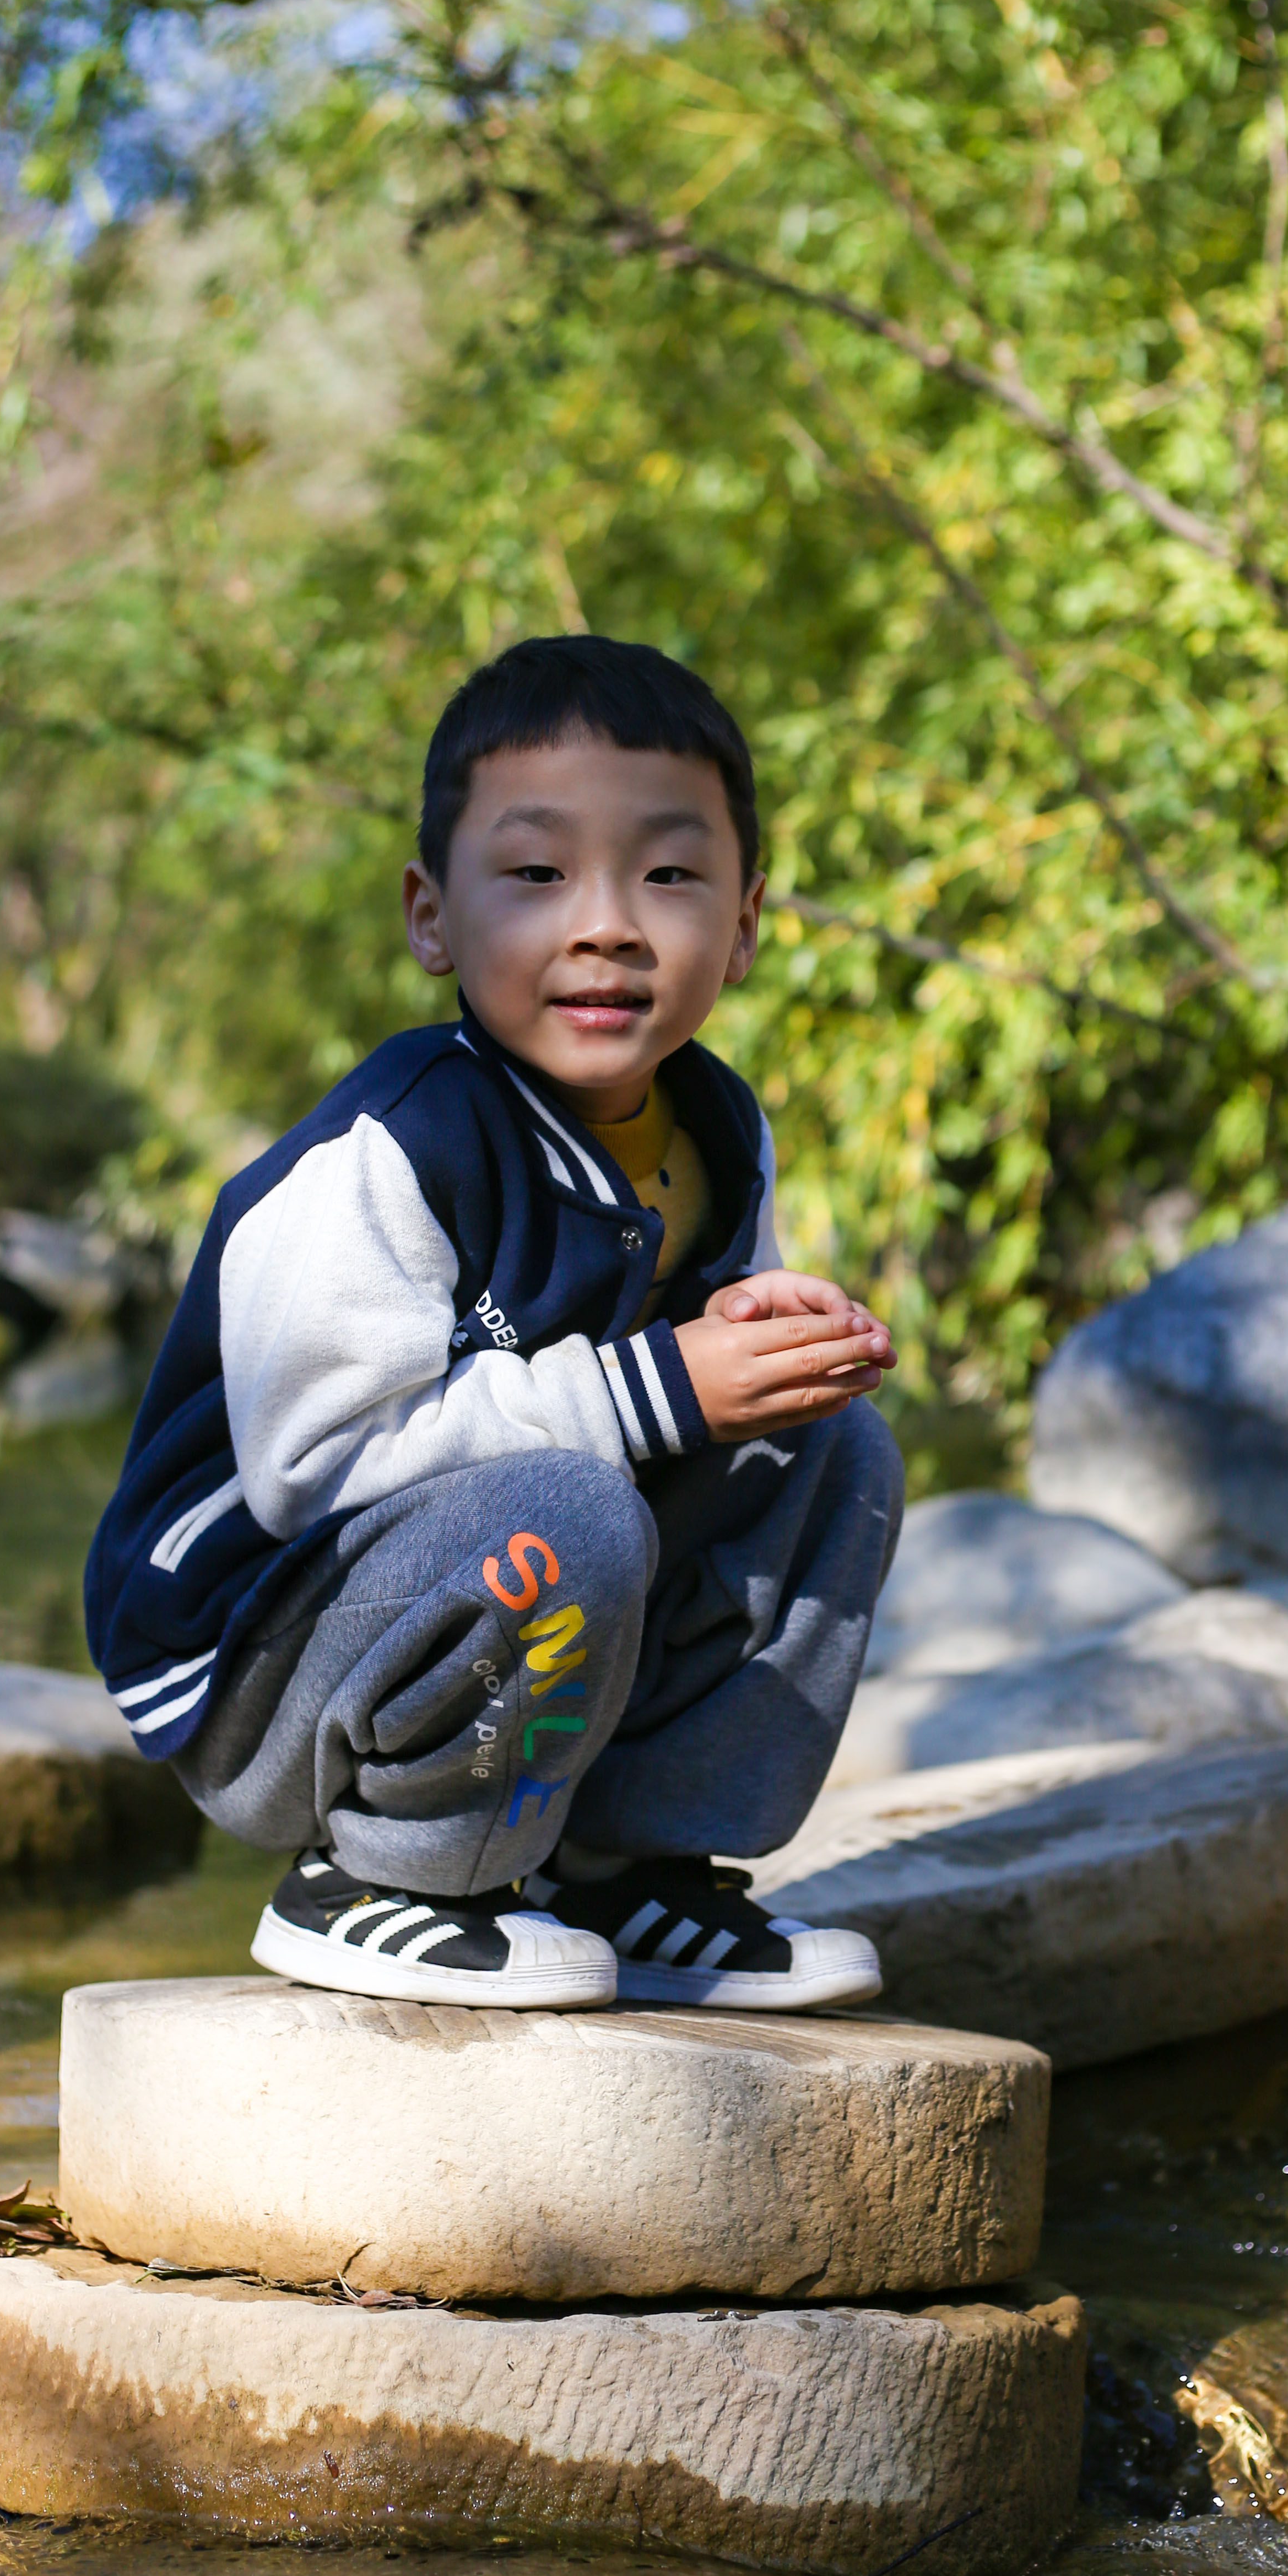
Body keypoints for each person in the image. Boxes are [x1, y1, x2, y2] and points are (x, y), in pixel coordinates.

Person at [84, 635, 904, 2011]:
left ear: (746, 923)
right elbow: (318, 1466)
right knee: (567, 1506)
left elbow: (678, 1371)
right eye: (536, 874)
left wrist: (763, 1333)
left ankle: (624, 1865)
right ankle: (382, 1877)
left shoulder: (715, 1123)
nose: (607, 924)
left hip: (503, 1574)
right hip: (266, 1655)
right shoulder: (388, 1150)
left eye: (669, 874)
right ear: (430, 916)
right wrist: (664, 1384)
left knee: (838, 1454)